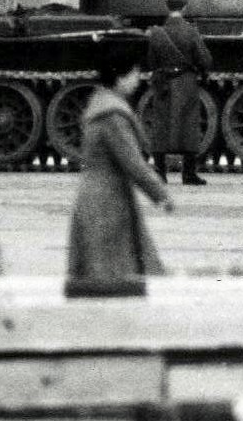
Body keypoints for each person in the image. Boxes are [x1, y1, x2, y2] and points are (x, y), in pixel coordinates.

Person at [66, 53, 171, 282]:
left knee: (98, 273)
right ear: (119, 77)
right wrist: (160, 194)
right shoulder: (112, 114)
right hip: (106, 200)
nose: (138, 80)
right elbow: (133, 162)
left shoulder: (100, 103)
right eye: (134, 74)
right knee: (111, 274)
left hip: (100, 194)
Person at [145, 0, 213, 186]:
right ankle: (188, 174)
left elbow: (151, 61)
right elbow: (205, 59)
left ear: (167, 9)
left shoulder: (158, 32)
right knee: (189, 126)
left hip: (164, 83)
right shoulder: (190, 31)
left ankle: (160, 172)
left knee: (161, 125)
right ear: (184, 8)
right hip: (185, 82)